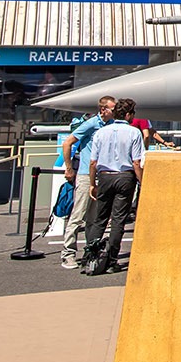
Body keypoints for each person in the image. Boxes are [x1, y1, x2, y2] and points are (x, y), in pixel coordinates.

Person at [81, 97, 144, 276]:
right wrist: (142, 182)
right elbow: (136, 162)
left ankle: (90, 255)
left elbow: (93, 162)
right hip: (125, 177)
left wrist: (93, 184)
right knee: (118, 220)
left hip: (105, 176)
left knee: (100, 218)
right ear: (129, 114)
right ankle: (111, 259)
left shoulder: (102, 132)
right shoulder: (133, 132)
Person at [60, 96, 116, 270]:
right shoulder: (91, 124)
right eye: (112, 109)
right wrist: (69, 168)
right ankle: (68, 253)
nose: (114, 112)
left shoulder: (113, 125)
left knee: (95, 217)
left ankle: (89, 252)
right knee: (78, 215)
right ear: (103, 110)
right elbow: (68, 142)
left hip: (102, 174)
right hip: (85, 174)